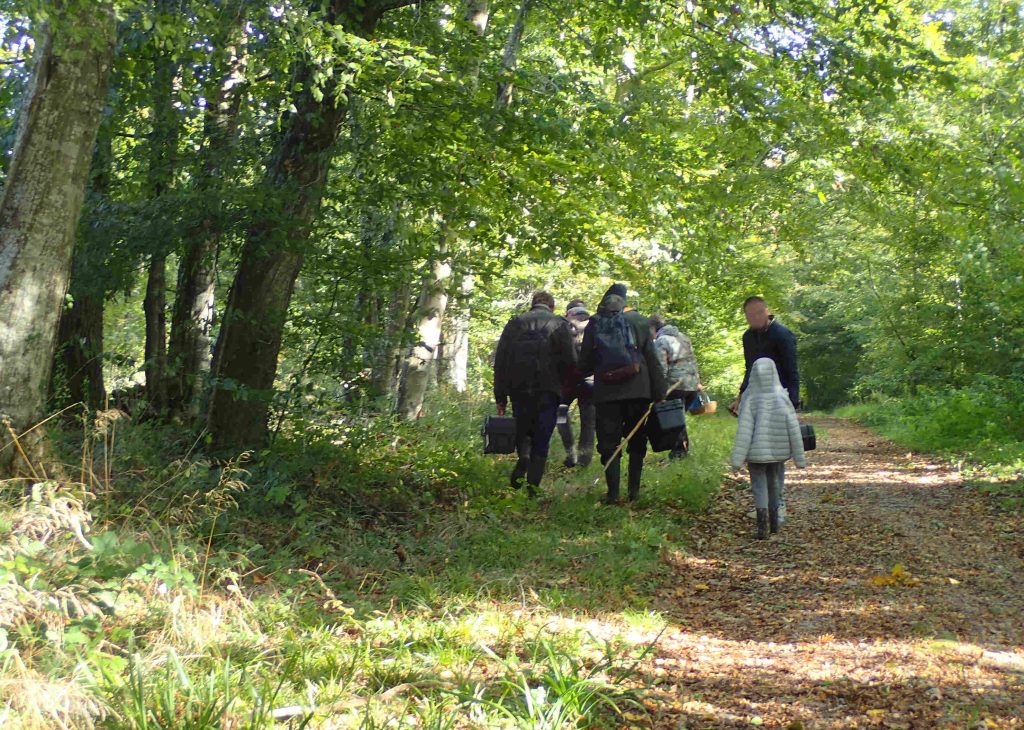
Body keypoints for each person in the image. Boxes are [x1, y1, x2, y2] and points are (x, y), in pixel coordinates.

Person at [579, 284, 667, 504]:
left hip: (607, 392)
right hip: (639, 391)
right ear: (625, 300)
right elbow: (652, 359)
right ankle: (634, 492)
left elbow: (585, 362)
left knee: (609, 442)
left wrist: (596, 372)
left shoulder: (595, 322)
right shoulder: (640, 321)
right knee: (637, 439)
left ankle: (613, 494)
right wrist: (659, 391)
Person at [493, 291, 577, 497]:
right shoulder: (559, 325)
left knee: (522, 431)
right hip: (548, 391)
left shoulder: (514, 324)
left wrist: (501, 397)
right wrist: (565, 390)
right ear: (552, 307)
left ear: (532, 305)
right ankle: (533, 489)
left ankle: (524, 457)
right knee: (542, 437)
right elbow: (571, 361)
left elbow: (501, 362)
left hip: (519, 389)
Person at [729, 296, 800, 521]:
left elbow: (792, 371)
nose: (755, 318)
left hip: (779, 400)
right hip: (754, 401)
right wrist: (740, 398)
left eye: (759, 313)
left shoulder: (783, 335)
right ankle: (761, 503)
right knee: (755, 452)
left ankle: (778, 503)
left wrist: (793, 404)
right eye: (750, 316)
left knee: (776, 454)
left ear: (767, 311)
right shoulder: (748, 337)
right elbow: (749, 370)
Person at [730, 357, 807, 538]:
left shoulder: (750, 400)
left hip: (756, 455)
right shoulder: (782, 398)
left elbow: (744, 432)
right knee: (774, 485)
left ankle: (762, 527)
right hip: (778, 454)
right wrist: (799, 459)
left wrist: (736, 461)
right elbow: (794, 429)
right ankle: (775, 524)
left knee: (758, 486)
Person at [649, 313, 702, 459]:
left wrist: (658, 390)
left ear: (653, 328)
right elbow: (692, 360)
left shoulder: (661, 341)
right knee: (679, 419)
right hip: (691, 385)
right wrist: (697, 381)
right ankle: (680, 451)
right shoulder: (683, 337)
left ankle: (679, 452)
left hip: (675, 386)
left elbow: (661, 368)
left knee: (673, 420)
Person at [557, 300, 596, 467]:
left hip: (568, 381)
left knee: (560, 414)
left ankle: (570, 453)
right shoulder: (596, 326)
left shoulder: (563, 327)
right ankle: (584, 460)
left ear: (569, 313)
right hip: (591, 380)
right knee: (589, 422)